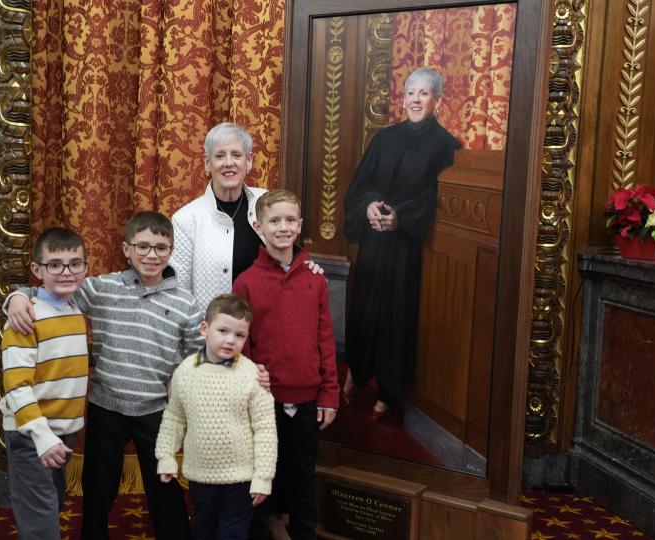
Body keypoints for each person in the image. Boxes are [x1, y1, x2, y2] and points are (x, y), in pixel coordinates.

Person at [5, 211, 201, 540]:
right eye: (143, 246)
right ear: (126, 249)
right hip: (106, 405)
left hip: (155, 409)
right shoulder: (101, 289)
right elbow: (51, 293)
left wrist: (179, 374)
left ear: (171, 251)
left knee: (164, 489)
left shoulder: (185, 302)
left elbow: (196, 352)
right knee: (97, 490)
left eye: (160, 248)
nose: (151, 255)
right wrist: (17, 297)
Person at [342, 67, 461, 419]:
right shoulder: (384, 138)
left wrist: (401, 217)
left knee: (395, 318)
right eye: (411, 93)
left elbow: (436, 197)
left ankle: (389, 392)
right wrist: (369, 207)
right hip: (374, 239)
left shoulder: (447, 146)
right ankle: (356, 373)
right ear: (403, 97)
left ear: (438, 100)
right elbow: (360, 184)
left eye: (424, 94)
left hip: (407, 245)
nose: (415, 100)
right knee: (363, 311)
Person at [232, 189, 340, 540]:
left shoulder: (315, 277)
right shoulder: (246, 283)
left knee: (302, 479)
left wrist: (329, 394)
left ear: (300, 224)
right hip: (265, 401)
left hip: (308, 400)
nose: (283, 227)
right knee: (263, 478)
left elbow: (325, 339)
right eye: (274, 221)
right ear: (258, 227)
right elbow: (241, 344)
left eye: (290, 220)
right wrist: (250, 384)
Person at [155, 293, 277, 540]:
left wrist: (263, 476)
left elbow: (265, 429)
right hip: (200, 477)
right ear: (204, 328)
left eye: (240, 335)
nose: (230, 340)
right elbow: (175, 418)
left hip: (241, 480)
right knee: (203, 531)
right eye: (223, 331)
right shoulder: (185, 372)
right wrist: (166, 455)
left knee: (232, 534)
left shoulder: (253, 375)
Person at [171, 122, 321, 315]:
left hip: (268, 328)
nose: (228, 163)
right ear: (207, 163)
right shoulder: (186, 220)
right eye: (219, 156)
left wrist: (307, 266)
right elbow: (180, 294)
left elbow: (288, 251)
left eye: (236, 155)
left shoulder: (267, 203)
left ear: (249, 161)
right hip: (217, 336)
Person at [0, 227, 89, 540]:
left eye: (75, 263)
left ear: (85, 268)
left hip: (64, 430)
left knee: (52, 502)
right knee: (41, 517)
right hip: (32, 433)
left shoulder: (75, 307)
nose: (66, 272)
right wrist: (41, 435)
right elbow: (16, 385)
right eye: (55, 265)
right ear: (37, 270)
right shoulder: (26, 318)